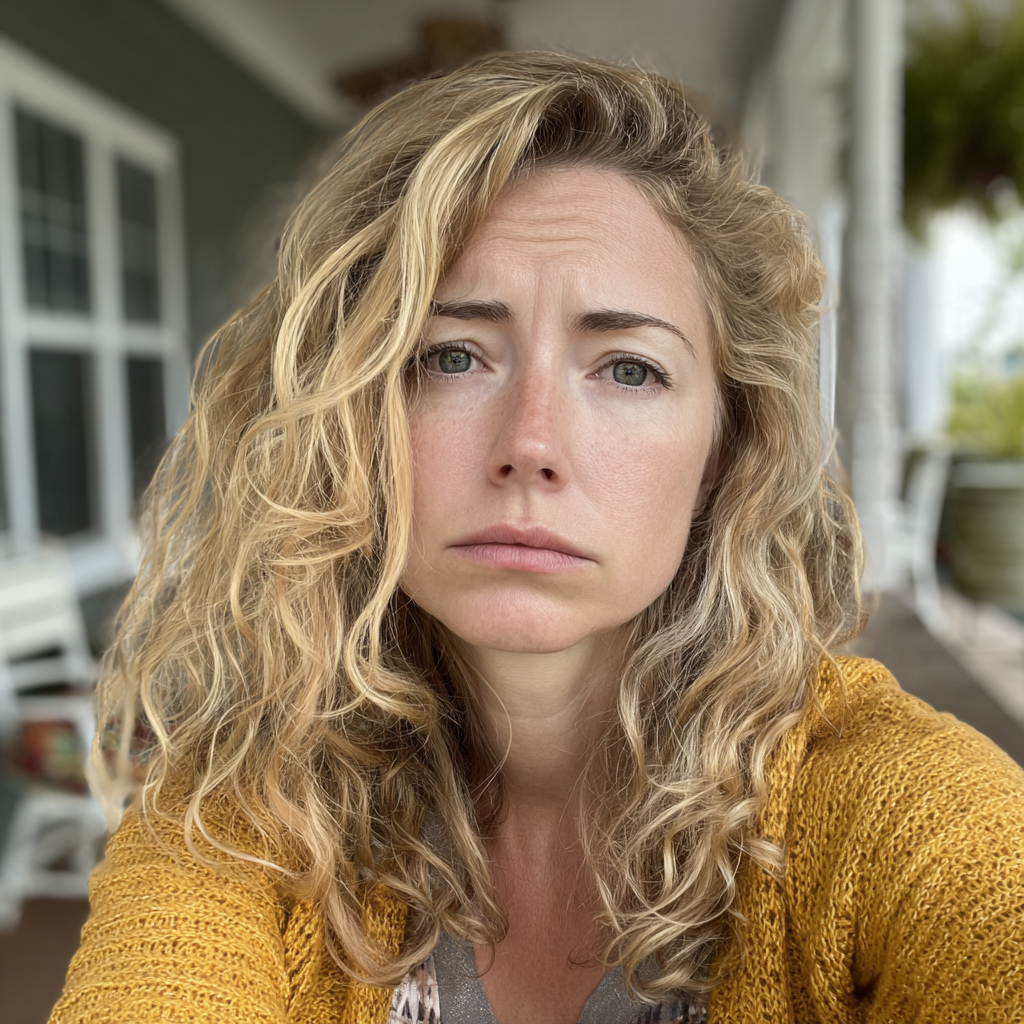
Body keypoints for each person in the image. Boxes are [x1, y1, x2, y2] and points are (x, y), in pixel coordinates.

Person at [51, 53, 1022, 1024]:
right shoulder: (240, 808)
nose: (530, 445)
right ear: (354, 418)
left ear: (724, 450)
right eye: (452, 356)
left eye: (628, 370)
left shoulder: (898, 810)